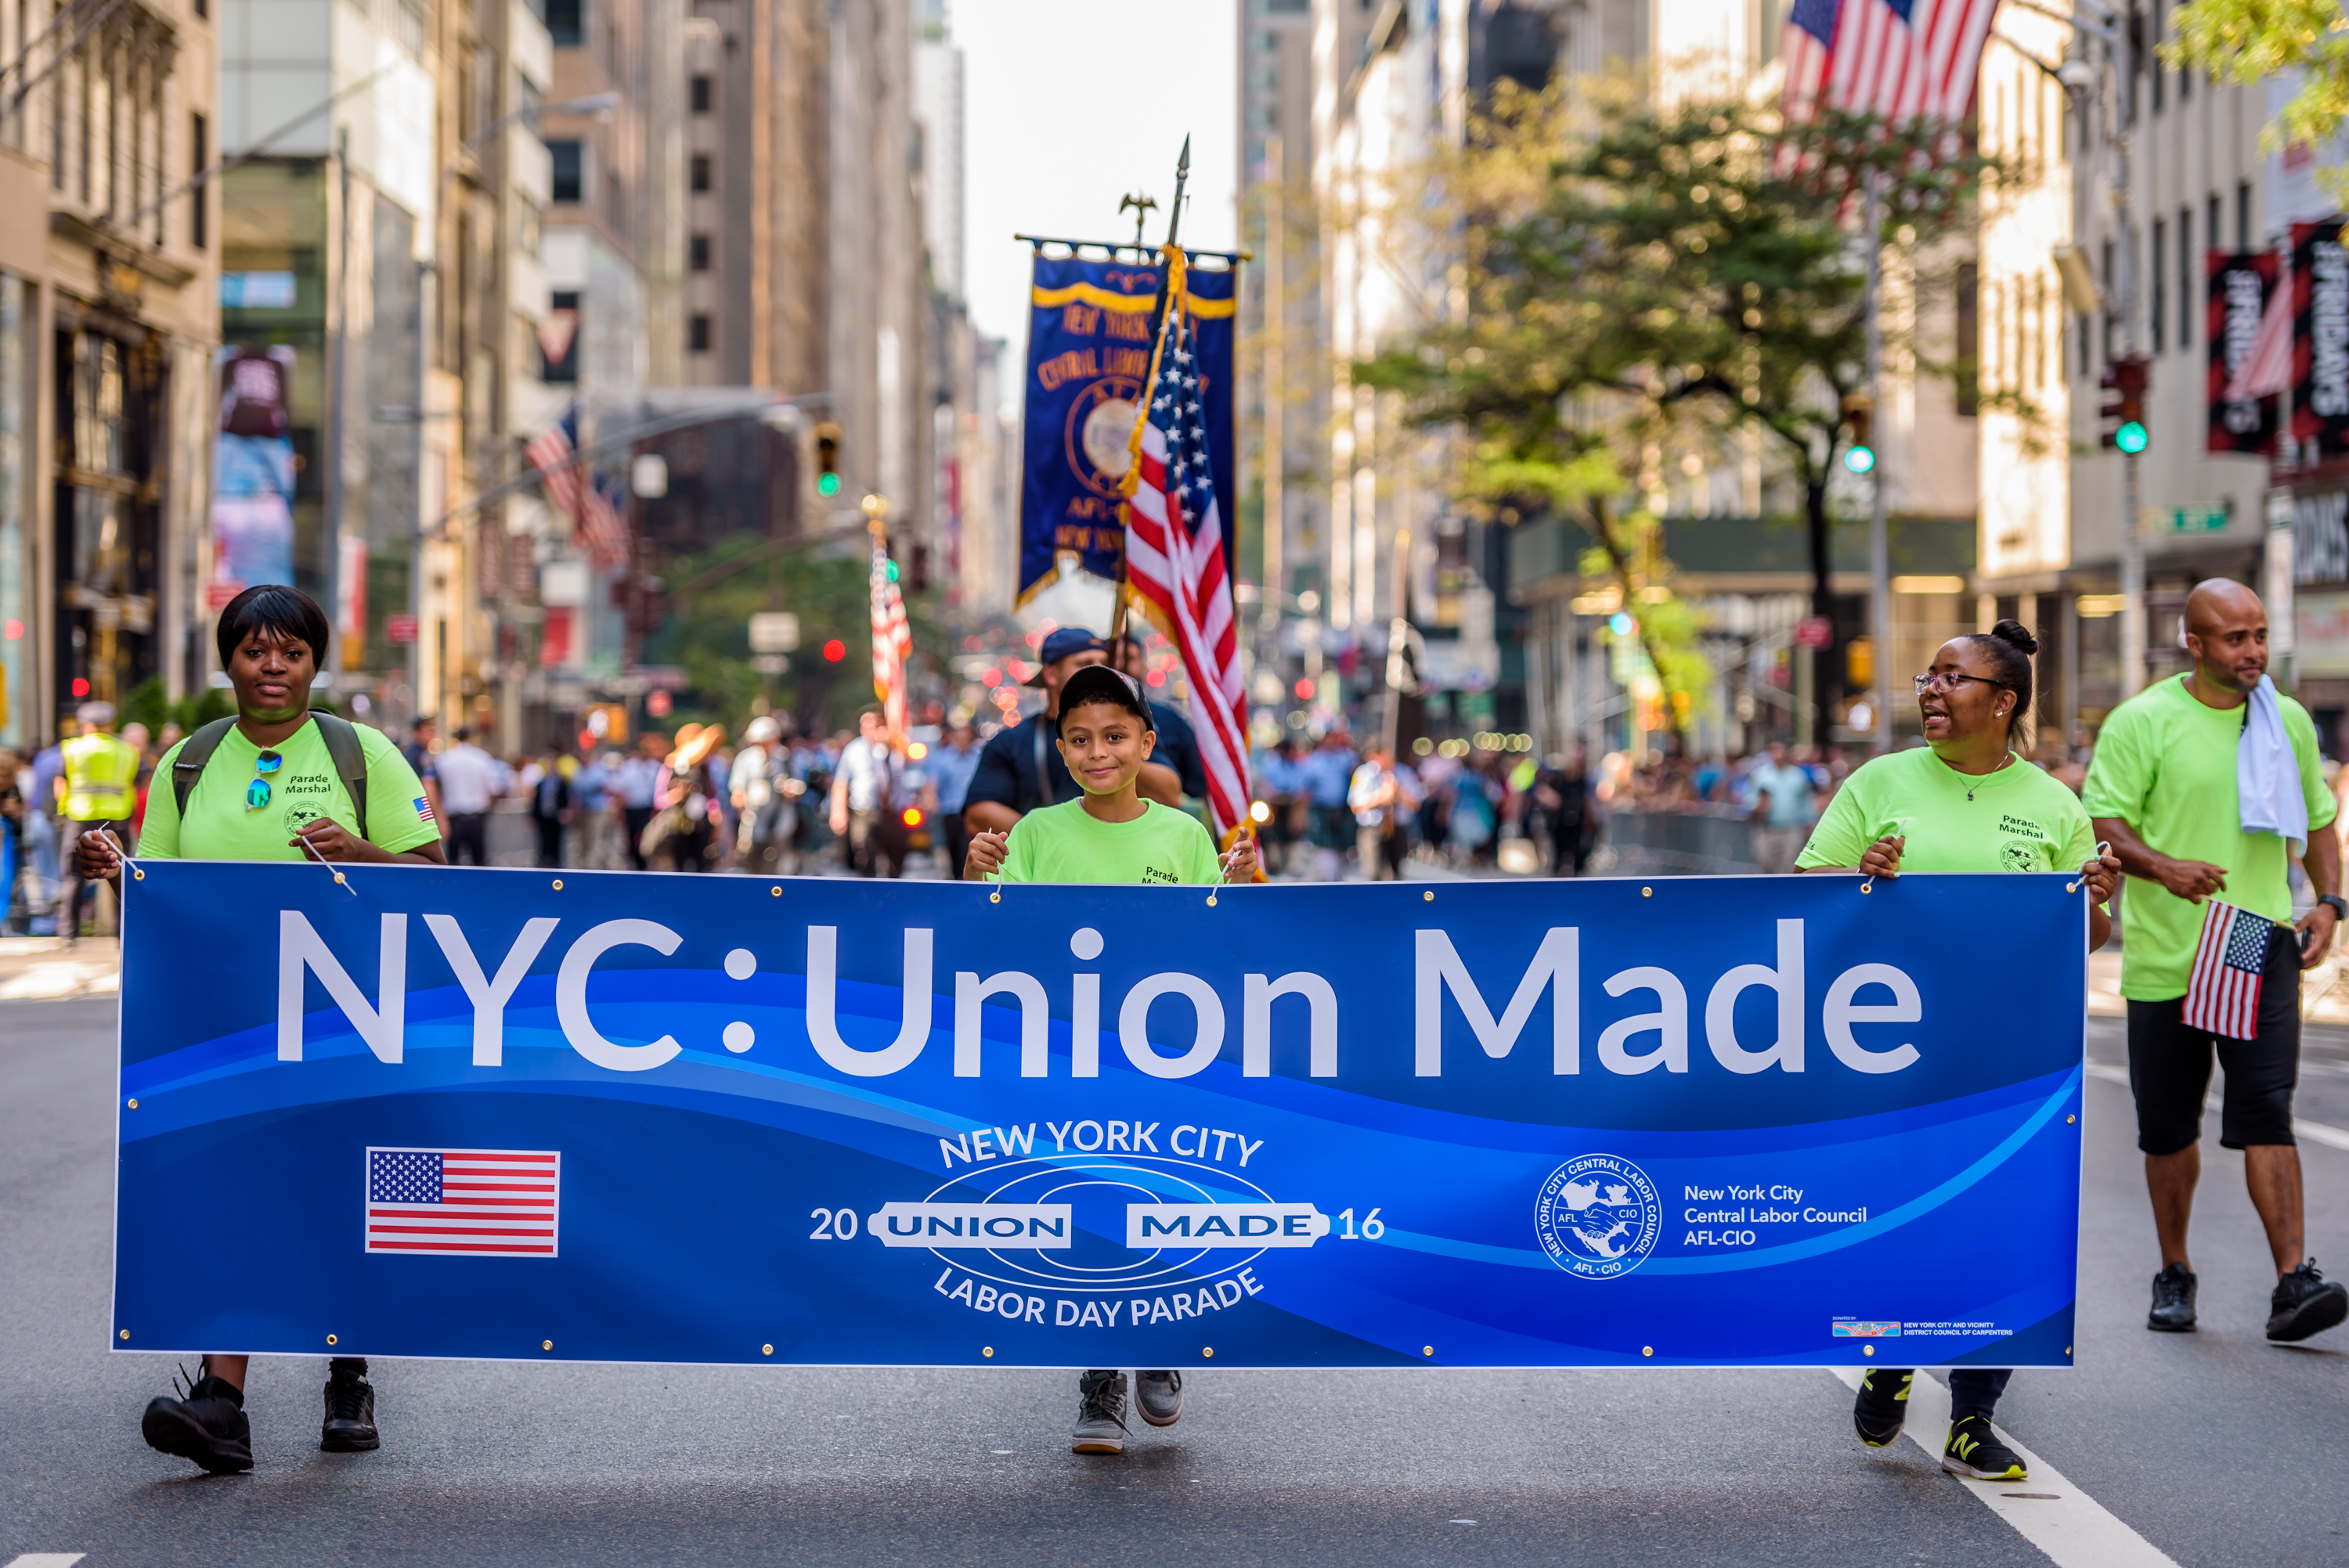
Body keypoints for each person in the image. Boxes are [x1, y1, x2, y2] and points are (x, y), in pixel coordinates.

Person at [75, 584, 445, 1475]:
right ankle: (222, 1400)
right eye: (253, 651)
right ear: (228, 660)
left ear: (316, 663)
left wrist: (362, 855)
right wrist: (114, 867)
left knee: (338, 1181)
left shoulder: (364, 755)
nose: (271, 667)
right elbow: (160, 895)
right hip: (223, 1026)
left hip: (346, 1019)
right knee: (233, 1186)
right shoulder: (188, 764)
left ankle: (348, 1375)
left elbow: (435, 878)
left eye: (291, 653)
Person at [1795, 620, 2118, 1483]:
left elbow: (2083, 934)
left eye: (1953, 676)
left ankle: (1973, 1418)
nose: (1930, 688)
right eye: (1928, 674)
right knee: (1905, 1206)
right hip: (1890, 1052)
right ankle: (1892, 1358)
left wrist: (2097, 897)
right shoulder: (1880, 779)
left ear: (2002, 700)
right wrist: (1862, 872)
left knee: (2009, 1224)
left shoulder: (2053, 803)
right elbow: (1806, 894)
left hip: (2013, 1054)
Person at [962, 664, 1257, 1454]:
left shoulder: (1185, 835)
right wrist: (974, 879)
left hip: (1164, 1056)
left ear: (1148, 743)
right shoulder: (1035, 834)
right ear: (1061, 748)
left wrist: (1235, 889)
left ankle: (1158, 1341)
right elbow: (998, 944)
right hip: (1065, 1054)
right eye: (1082, 738)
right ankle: (1101, 1376)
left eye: (1116, 735)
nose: (1100, 752)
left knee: (1157, 1192)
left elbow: (1213, 946)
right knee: (1090, 1201)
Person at [2082, 579, 2349, 1344]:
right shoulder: (2143, 721)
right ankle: (2175, 1267)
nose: (2254, 651)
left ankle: (2293, 1280)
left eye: (2260, 634)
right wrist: (2161, 866)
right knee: (2167, 1126)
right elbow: (2105, 822)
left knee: (2267, 1105)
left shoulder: (2286, 720)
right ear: (2194, 644)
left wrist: (2331, 901)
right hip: (2170, 948)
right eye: (2235, 638)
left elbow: (2320, 821)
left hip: (2250, 935)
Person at [962, 629, 1187, 840]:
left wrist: (1120, 757)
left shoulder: (1131, 730)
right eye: (1085, 664)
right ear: (1051, 674)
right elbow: (978, 815)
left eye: (1103, 663)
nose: (1099, 671)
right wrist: (1055, 838)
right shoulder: (1010, 742)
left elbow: (1170, 796)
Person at [56, 701, 139, 944]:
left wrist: (62, 811)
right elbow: (132, 782)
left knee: (72, 875)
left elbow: (61, 783)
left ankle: (68, 934)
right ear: (111, 724)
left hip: (79, 817)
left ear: (85, 725)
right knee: (120, 875)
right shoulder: (127, 750)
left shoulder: (72, 749)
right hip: (118, 818)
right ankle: (122, 933)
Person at [831, 707, 908, 878]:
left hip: (893, 814)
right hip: (865, 812)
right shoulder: (854, 750)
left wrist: (892, 743)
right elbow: (841, 782)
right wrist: (838, 812)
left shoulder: (895, 748)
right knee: (865, 856)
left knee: (896, 860)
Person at [431, 726, 504, 866]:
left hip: (453, 817)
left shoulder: (444, 759)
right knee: (479, 861)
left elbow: (435, 787)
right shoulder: (482, 757)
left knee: (452, 861)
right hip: (476, 816)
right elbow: (495, 788)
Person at [1746, 739, 1814, 875]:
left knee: (1788, 865)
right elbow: (1748, 798)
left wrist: (1810, 822)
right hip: (1766, 828)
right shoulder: (1760, 775)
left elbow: (1806, 800)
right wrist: (1757, 805)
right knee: (1765, 863)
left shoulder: (1798, 776)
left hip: (1792, 828)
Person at [925, 720, 982, 877]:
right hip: (949, 813)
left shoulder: (979, 757)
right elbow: (931, 783)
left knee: (967, 853)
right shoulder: (942, 758)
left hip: (971, 813)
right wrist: (930, 798)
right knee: (950, 854)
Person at [617, 731, 666, 870]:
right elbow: (621, 789)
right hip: (631, 808)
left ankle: (646, 864)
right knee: (631, 838)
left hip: (647, 809)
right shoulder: (628, 766)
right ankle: (636, 865)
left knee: (646, 838)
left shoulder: (655, 767)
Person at [528, 749, 572, 867]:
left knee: (557, 842)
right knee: (543, 842)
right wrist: (533, 816)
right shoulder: (541, 783)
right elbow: (536, 801)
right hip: (543, 816)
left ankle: (557, 864)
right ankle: (543, 863)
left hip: (557, 817)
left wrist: (565, 811)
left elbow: (566, 798)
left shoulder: (562, 783)